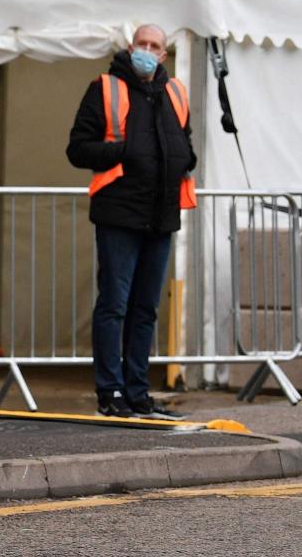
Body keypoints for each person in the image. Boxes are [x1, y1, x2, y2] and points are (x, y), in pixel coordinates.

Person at [66, 24, 196, 421]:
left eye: (155, 46)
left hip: (160, 215)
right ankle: (111, 390)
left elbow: (185, 142)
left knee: (145, 309)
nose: (147, 50)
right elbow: (77, 148)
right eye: (142, 43)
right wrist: (123, 152)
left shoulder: (174, 92)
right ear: (130, 47)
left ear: (164, 55)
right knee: (115, 306)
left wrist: (185, 161)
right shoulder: (105, 87)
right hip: (119, 212)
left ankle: (138, 391)